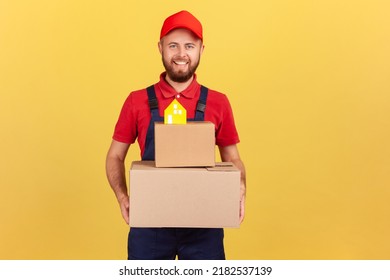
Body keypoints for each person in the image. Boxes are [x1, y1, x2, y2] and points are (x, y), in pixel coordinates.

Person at [106, 10, 246, 260]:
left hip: (205, 224)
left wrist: (240, 189)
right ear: (160, 47)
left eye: (189, 46)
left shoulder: (218, 102)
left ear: (201, 49)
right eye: (173, 45)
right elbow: (115, 156)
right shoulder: (136, 101)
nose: (181, 54)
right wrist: (122, 196)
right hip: (150, 226)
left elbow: (233, 158)